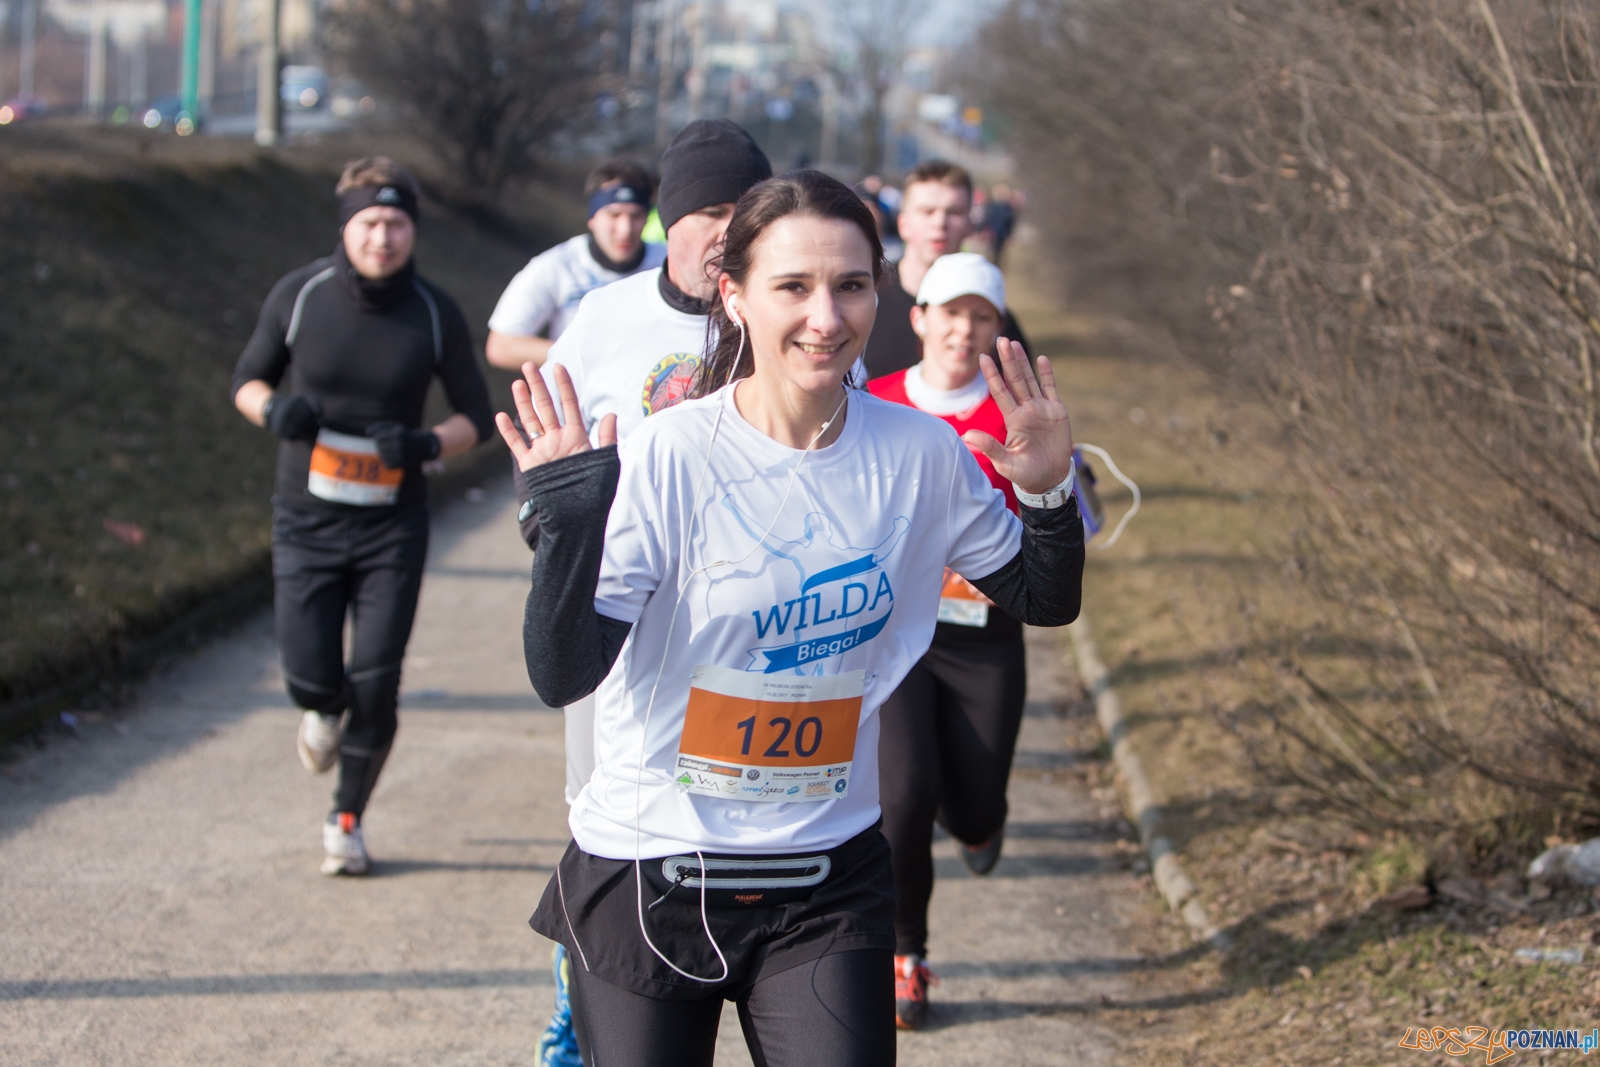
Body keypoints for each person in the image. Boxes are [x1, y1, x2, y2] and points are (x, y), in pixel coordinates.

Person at [502, 169, 1085, 1065]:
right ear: (733, 296)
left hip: (827, 879)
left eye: (851, 285)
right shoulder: (669, 456)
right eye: (793, 286)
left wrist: (1046, 493)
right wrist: (571, 530)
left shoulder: (920, 454)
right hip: (656, 869)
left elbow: (1044, 598)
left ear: (881, 293)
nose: (826, 316)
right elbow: (563, 672)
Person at [513, 118, 772, 1067]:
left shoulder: (789, 316)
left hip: (747, 619)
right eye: (709, 210)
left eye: (745, 210)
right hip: (616, 610)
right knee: (605, 817)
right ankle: (579, 1015)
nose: (727, 230)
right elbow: (546, 448)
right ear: (671, 219)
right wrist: (552, 529)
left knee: (733, 813)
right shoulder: (604, 318)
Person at [231, 157, 494, 877]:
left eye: (397, 223)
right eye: (370, 223)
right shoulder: (301, 295)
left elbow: (478, 416)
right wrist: (274, 410)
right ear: (347, 227)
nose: (383, 238)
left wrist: (425, 444)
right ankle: (319, 707)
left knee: (377, 679)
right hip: (306, 518)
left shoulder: (434, 312)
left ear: (414, 230)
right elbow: (246, 379)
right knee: (310, 674)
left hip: (391, 527)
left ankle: (346, 819)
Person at [864, 252, 1030, 1029]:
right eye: (950, 313)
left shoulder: (1016, 413)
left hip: (981, 637)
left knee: (971, 803)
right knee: (902, 793)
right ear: (920, 319)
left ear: (997, 328)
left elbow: (1057, 518)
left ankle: (979, 819)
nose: (963, 330)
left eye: (981, 316)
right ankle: (905, 953)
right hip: (895, 635)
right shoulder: (875, 401)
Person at [485, 159, 664, 372]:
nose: (625, 229)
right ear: (592, 218)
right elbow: (501, 346)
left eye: (636, 216)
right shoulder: (557, 265)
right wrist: (586, 356)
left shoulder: (669, 263)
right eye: (614, 215)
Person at [862, 160, 1030, 379]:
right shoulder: (865, 298)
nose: (940, 223)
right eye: (927, 211)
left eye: (954, 212)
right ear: (903, 224)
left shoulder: (992, 321)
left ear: (970, 225)